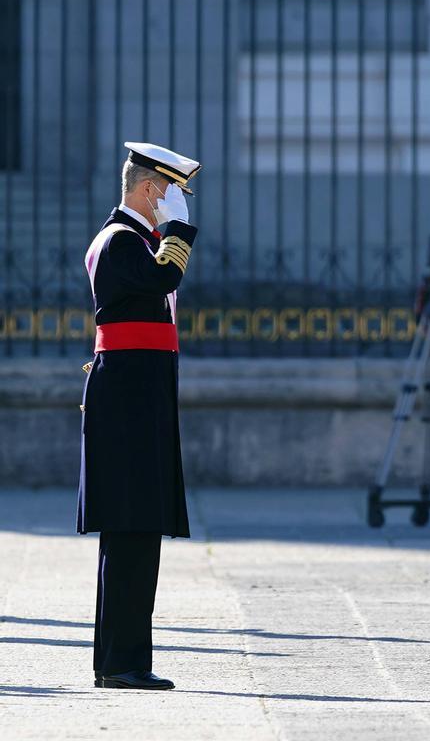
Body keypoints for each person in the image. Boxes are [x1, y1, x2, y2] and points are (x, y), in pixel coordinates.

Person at [79, 142, 201, 690]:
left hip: (135, 397)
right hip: (129, 402)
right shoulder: (123, 241)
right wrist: (179, 233)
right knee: (131, 529)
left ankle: (120, 660)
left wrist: (169, 234)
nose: (178, 203)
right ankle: (123, 663)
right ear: (151, 188)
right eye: (174, 191)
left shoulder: (131, 242)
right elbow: (163, 281)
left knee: (136, 530)